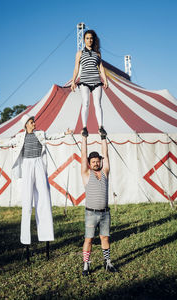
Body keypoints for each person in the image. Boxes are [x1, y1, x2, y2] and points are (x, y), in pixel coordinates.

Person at [0, 114, 72, 245]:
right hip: (27, 164)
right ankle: (26, 238)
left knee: (43, 196)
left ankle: (46, 234)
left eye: (34, 122)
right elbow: (8, 143)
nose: (34, 124)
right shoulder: (20, 136)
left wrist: (64, 133)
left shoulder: (40, 133)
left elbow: (51, 136)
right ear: (26, 124)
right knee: (27, 200)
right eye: (32, 122)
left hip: (38, 163)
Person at [81, 129, 117, 275]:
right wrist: (84, 138)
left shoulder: (105, 172)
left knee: (105, 237)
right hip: (91, 213)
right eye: (93, 161)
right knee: (88, 239)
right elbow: (83, 156)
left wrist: (103, 138)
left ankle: (107, 262)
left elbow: (106, 155)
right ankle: (86, 264)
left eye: (98, 161)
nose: (96, 163)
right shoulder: (86, 173)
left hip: (105, 213)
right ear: (89, 163)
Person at [71, 29, 108, 138]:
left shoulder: (98, 53)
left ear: (93, 39)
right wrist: (73, 81)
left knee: (98, 104)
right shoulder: (80, 53)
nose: (89, 40)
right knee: (86, 102)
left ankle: (101, 127)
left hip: (96, 80)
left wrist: (105, 80)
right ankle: (84, 127)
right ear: (84, 40)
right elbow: (76, 68)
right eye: (87, 38)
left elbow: (101, 67)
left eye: (91, 38)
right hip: (84, 80)